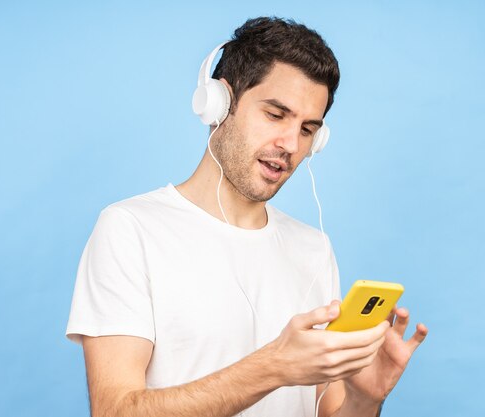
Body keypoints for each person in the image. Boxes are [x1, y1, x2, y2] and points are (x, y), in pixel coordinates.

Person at [66, 16, 428, 417]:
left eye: (308, 129)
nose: (290, 145)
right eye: (275, 115)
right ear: (219, 104)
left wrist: (365, 398)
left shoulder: (313, 248)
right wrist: (273, 366)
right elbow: (114, 410)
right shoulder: (130, 229)